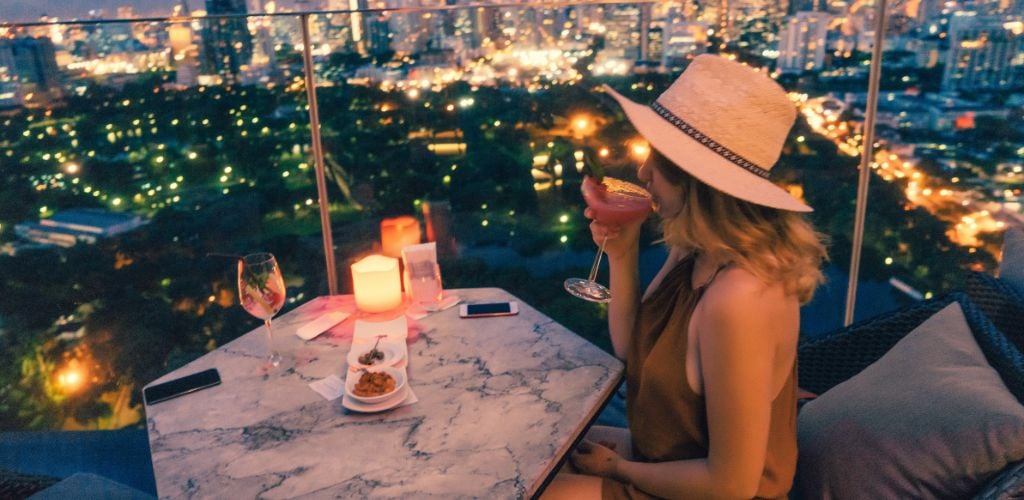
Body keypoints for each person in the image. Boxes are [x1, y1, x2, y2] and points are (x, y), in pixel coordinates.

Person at [543, 55, 828, 499]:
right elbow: (633, 347)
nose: (642, 174)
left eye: (658, 160)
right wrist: (622, 253)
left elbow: (731, 484)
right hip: (664, 459)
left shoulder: (740, 298)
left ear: (698, 181)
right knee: (535, 440)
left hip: (701, 490)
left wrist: (621, 470)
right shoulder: (696, 249)